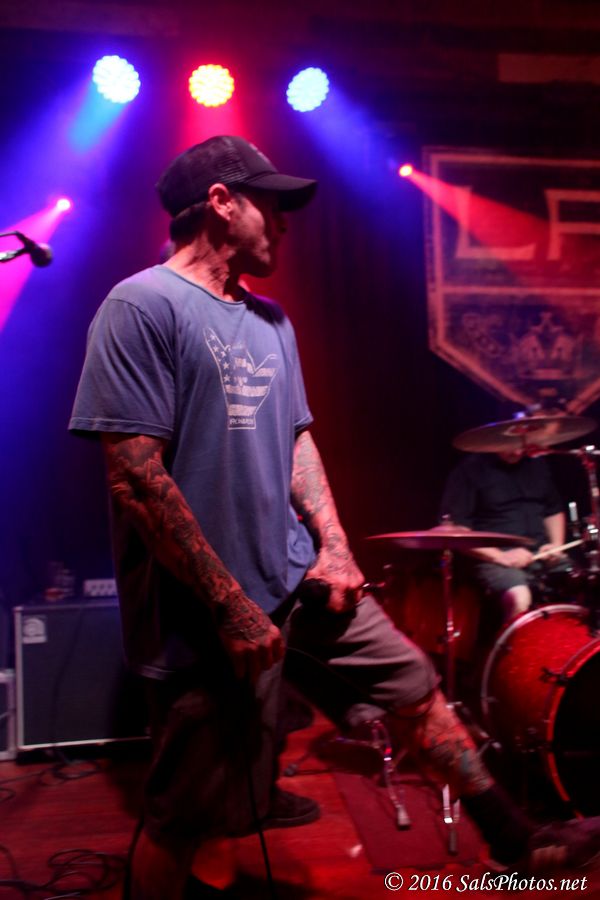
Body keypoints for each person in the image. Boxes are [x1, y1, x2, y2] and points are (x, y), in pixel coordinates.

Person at [69, 136, 599, 899]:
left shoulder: (271, 322)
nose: (285, 224)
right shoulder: (140, 306)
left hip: (296, 576)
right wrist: (231, 607)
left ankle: (518, 839)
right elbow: (136, 479)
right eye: (272, 206)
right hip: (201, 610)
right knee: (183, 816)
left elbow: (297, 441)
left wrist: (337, 549)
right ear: (220, 203)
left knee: (412, 684)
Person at [441, 447, 569, 620]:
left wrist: (556, 546)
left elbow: (553, 511)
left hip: (540, 553)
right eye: (510, 446)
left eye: (520, 446)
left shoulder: (537, 464)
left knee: (583, 582)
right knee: (519, 597)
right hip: (492, 560)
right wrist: (501, 556)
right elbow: (456, 531)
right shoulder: (469, 470)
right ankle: (515, 638)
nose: (517, 452)